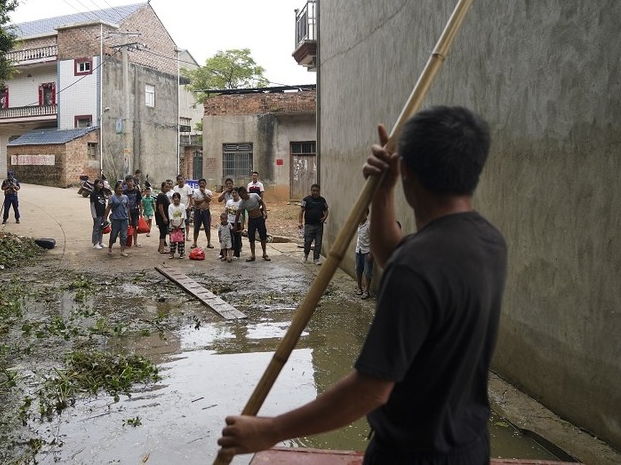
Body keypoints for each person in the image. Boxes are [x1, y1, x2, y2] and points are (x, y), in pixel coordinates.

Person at [217, 106, 507, 465]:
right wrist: (382, 191)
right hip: (469, 446)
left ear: (408, 171)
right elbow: (393, 254)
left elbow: (369, 390)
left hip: (410, 455)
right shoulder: (487, 241)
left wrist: (271, 430)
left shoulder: (416, 266)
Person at [235, 187, 269, 262]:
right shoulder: (242, 202)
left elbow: (262, 203)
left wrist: (265, 213)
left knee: (263, 236)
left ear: (245, 192)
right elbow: (238, 213)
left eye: (241, 195)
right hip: (252, 220)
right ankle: (253, 255)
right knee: (251, 238)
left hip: (259, 218)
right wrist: (237, 224)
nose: (241, 197)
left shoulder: (254, 196)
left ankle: (264, 253)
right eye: (239, 195)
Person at [298, 183, 329, 265]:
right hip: (309, 225)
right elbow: (301, 211)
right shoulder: (306, 200)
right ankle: (305, 255)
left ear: (319, 191)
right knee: (307, 241)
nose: (315, 192)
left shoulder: (322, 200)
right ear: (311, 191)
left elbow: (326, 210)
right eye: (313, 191)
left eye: (317, 191)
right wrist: (300, 222)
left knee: (318, 243)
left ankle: (316, 258)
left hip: (319, 225)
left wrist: (324, 217)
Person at [104, 181, 131, 257]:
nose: (120, 190)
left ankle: (122, 250)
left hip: (124, 219)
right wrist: (105, 218)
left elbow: (127, 208)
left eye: (121, 188)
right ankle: (110, 247)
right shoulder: (112, 198)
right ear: (115, 189)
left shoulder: (125, 197)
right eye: (119, 188)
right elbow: (108, 208)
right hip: (116, 219)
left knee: (124, 236)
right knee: (114, 235)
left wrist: (129, 218)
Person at [191, 178, 214, 249]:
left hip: (206, 211)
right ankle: (194, 243)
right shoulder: (195, 191)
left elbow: (209, 200)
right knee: (196, 227)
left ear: (205, 184)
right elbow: (196, 202)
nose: (202, 185)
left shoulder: (208, 191)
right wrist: (204, 199)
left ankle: (209, 242)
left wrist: (204, 193)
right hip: (197, 211)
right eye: (200, 183)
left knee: (207, 227)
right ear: (198, 184)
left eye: (203, 183)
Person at [355, 209, 373, 298]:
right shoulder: (358, 224)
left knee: (367, 272)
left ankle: (366, 291)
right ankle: (359, 288)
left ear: (367, 214)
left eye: (364, 213)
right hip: (359, 250)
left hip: (367, 252)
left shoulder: (369, 225)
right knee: (358, 270)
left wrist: (371, 253)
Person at [123, 175, 143, 247]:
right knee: (126, 226)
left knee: (134, 226)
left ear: (133, 182)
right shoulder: (124, 192)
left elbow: (140, 202)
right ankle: (126, 241)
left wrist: (141, 211)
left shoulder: (137, 191)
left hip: (135, 211)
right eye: (128, 181)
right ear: (126, 182)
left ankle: (135, 242)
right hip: (126, 211)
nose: (129, 183)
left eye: (131, 181)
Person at [225, 188, 244, 260]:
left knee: (237, 238)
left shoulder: (241, 202)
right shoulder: (229, 202)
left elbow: (243, 214)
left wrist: (242, 224)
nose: (234, 194)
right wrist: (225, 220)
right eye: (233, 193)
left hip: (238, 222)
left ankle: (237, 254)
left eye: (235, 193)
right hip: (229, 221)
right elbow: (226, 211)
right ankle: (225, 253)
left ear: (238, 194)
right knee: (228, 238)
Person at [168, 192, 188, 259]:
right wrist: (173, 224)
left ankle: (181, 253)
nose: (176, 199)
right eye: (175, 198)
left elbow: (183, 215)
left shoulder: (182, 206)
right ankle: (172, 253)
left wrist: (180, 224)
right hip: (172, 226)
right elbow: (170, 215)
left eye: (177, 198)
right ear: (173, 199)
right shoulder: (170, 206)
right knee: (172, 240)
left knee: (181, 240)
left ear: (179, 199)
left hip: (181, 226)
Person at [89, 179, 107, 249]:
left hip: (102, 213)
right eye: (100, 183)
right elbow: (92, 205)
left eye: (102, 184)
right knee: (96, 228)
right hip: (97, 214)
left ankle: (100, 241)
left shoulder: (102, 192)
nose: (101, 185)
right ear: (96, 184)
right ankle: (95, 243)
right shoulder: (93, 193)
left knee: (101, 228)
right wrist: (94, 215)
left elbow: (104, 203)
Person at [155, 181, 172, 254]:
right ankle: (162, 249)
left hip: (162, 216)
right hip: (162, 217)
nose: (167, 188)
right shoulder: (161, 195)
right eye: (166, 187)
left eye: (168, 187)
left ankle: (160, 247)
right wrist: (164, 217)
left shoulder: (164, 195)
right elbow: (160, 207)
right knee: (163, 232)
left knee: (163, 232)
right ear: (162, 188)